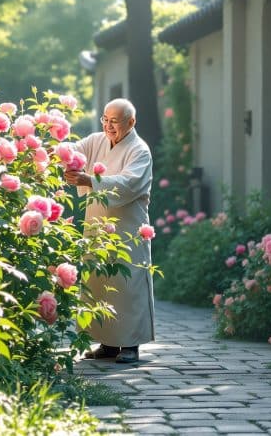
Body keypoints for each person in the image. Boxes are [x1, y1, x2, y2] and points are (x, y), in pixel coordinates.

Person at [63, 98, 155, 364]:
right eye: (105, 119)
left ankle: (130, 345)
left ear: (131, 122)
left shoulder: (140, 150)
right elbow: (74, 150)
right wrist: (58, 152)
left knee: (128, 284)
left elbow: (129, 183)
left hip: (127, 226)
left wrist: (89, 180)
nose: (109, 125)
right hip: (97, 222)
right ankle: (107, 343)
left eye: (115, 121)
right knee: (100, 281)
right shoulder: (96, 140)